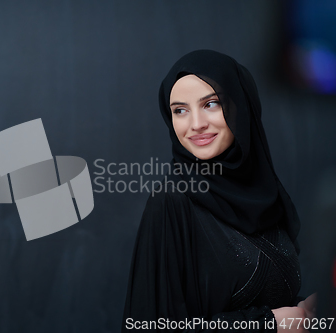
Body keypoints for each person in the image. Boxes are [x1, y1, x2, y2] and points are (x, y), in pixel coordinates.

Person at [121, 50, 316, 332]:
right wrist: (269, 324)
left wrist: (305, 309)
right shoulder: (171, 202)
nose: (196, 124)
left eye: (211, 104)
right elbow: (152, 325)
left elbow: (270, 297)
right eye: (180, 110)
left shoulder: (266, 196)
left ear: (241, 104)